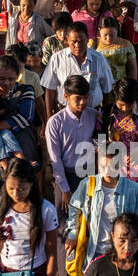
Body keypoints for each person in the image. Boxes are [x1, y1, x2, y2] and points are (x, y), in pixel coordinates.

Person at [67, 146, 138, 273]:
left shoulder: (133, 189)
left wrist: (136, 247)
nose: (108, 171)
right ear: (97, 165)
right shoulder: (87, 184)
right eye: (103, 167)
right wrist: (72, 233)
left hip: (121, 254)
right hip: (94, 252)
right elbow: (74, 206)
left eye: (113, 167)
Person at [44, 74, 98, 214]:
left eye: (86, 97)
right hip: (65, 176)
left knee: (89, 221)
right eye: (77, 98)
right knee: (64, 225)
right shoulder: (55, 122)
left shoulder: (94, 115)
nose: (82, 102)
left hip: (88, 175)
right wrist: (65, 189)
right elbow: (55, 159)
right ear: (66, 97)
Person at [42, 23, 114, 117]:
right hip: (64, 113)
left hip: (93, 114)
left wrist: (105, 115)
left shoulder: (99, 59)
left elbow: (106, 89)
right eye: (74, 42)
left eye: (81, 41)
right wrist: (49, 115)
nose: (77, 45)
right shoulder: (57, 59)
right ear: (67, 40)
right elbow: (50, 88)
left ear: (88, 39)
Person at [95, 13, 137, 89]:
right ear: (99, 30)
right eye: (105, 35)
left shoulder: (126, 45)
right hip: (99, 88)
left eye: (112, 34)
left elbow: (132, 67)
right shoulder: (92, 44)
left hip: (120, 88)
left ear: (117, 30)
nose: (108, 38)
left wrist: (132, 87)